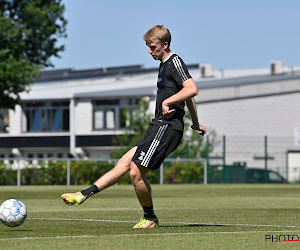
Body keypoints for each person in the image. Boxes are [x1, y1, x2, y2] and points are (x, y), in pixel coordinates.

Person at [61, 24, 206, 229]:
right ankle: (83, 195)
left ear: (165, 45)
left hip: (168, 127)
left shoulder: (175, 62)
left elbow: (192, 89)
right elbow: (187, 93)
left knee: (135, 172)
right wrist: (196, 122)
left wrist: (168, 104)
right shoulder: (164, 64)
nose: (149, 51)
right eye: (147, 46)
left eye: (152, 47)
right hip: (158, 125)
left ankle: (150, 218)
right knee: (124, 162)